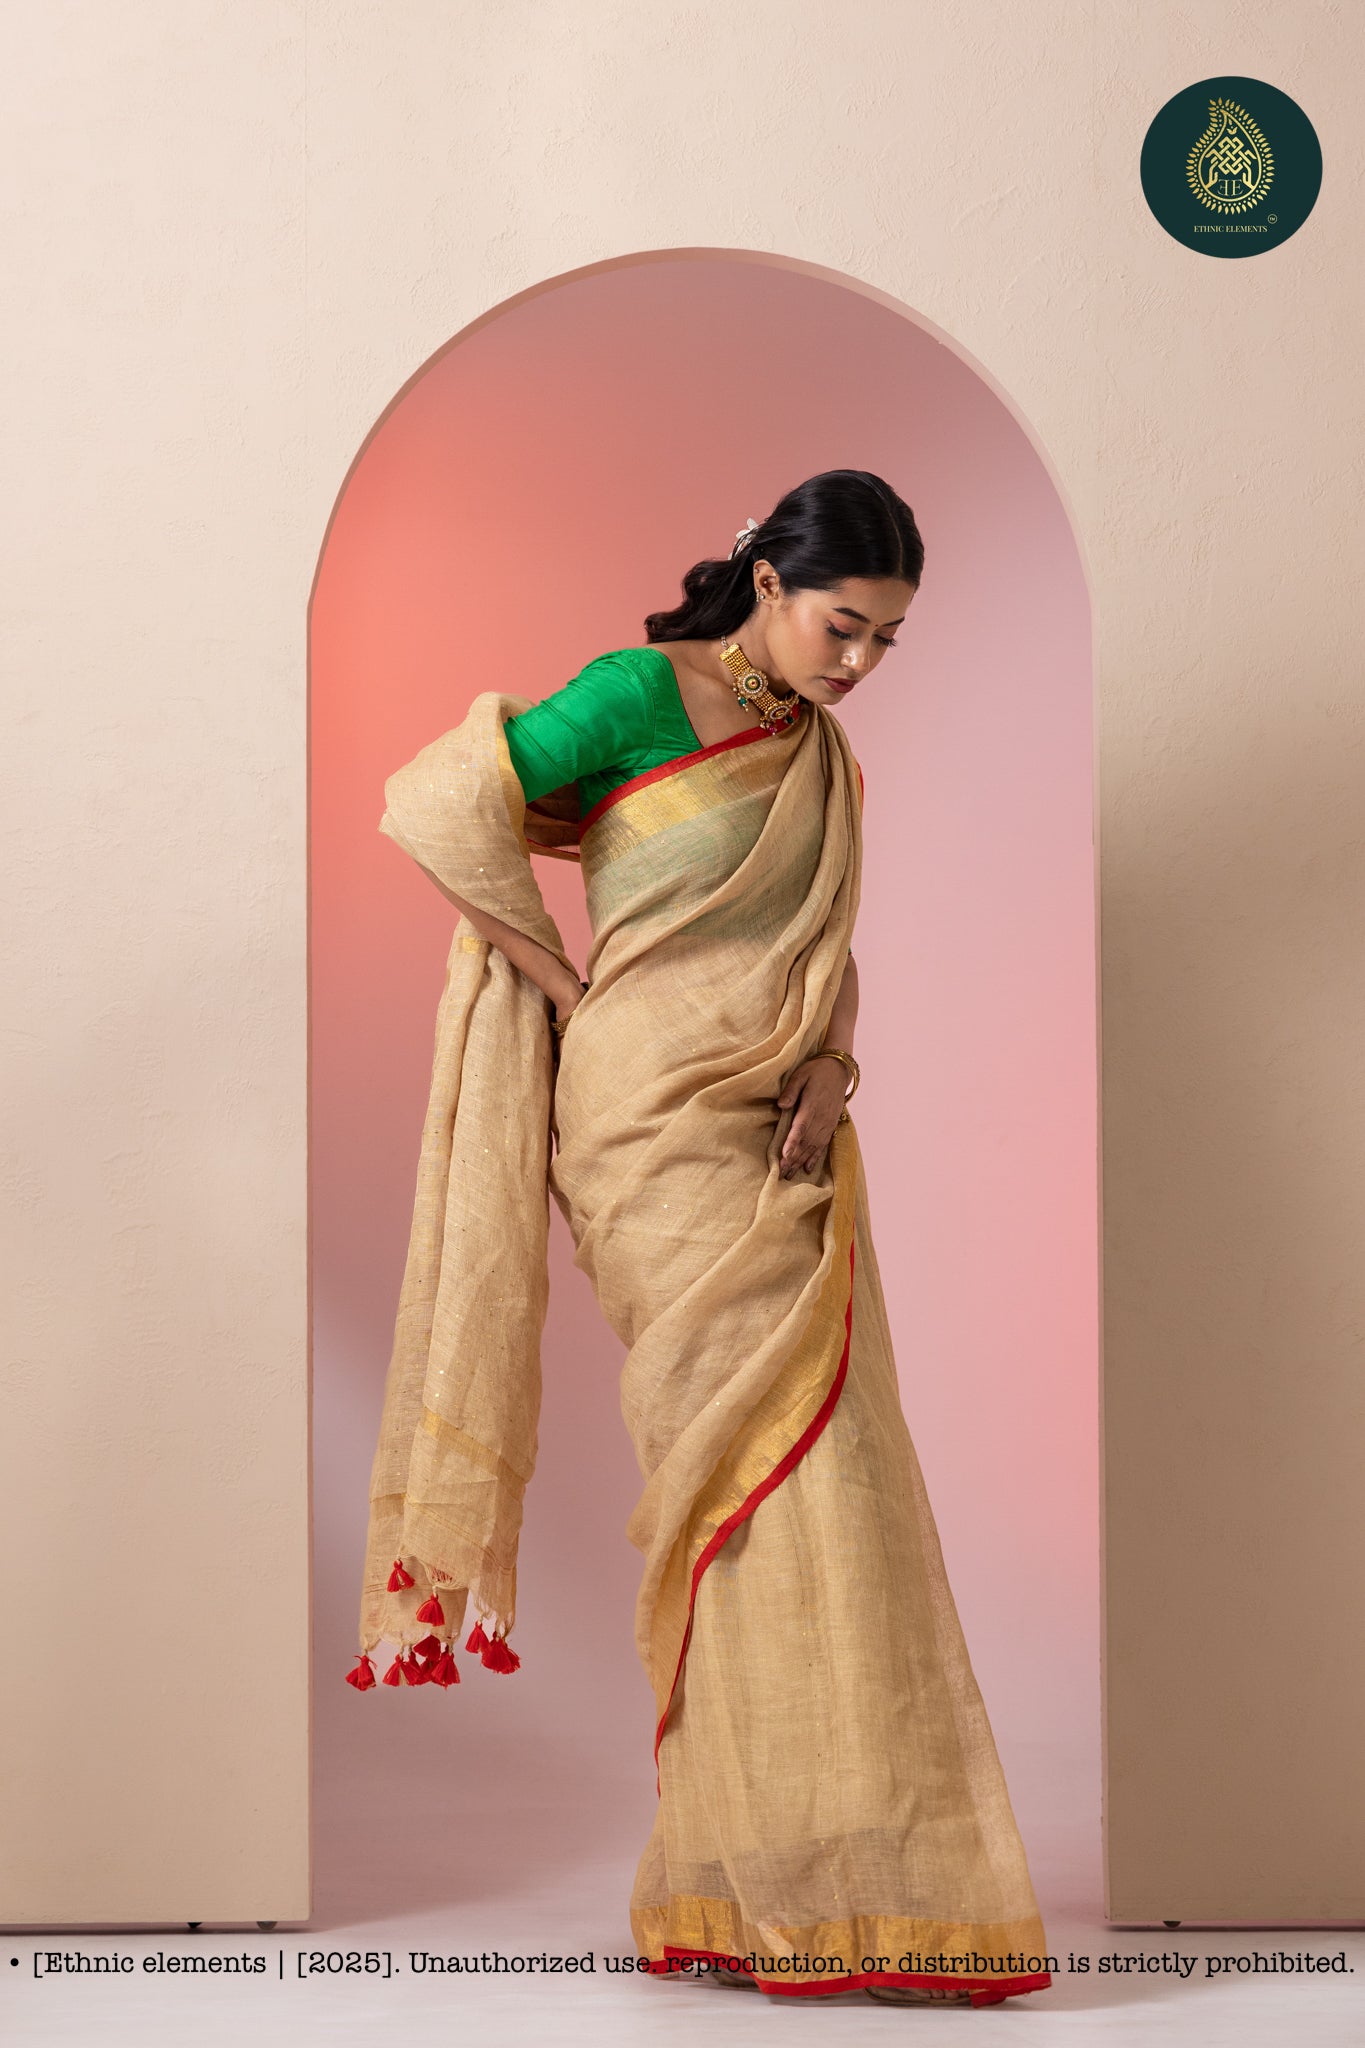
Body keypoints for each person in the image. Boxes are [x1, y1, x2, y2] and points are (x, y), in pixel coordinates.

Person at [348, 470, 1053, 2009]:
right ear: (769, 580)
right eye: (842, 625)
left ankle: (797, 1871)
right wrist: (552, 976)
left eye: (886, 641)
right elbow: (438, 801)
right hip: (645, 1127)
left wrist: (831, 1060)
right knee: (736, 1478)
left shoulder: (822, 756)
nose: (859, 662)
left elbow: (824, 948)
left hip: (781, 1116)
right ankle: (769, 1880)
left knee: (830, 1470)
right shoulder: (634, 693)